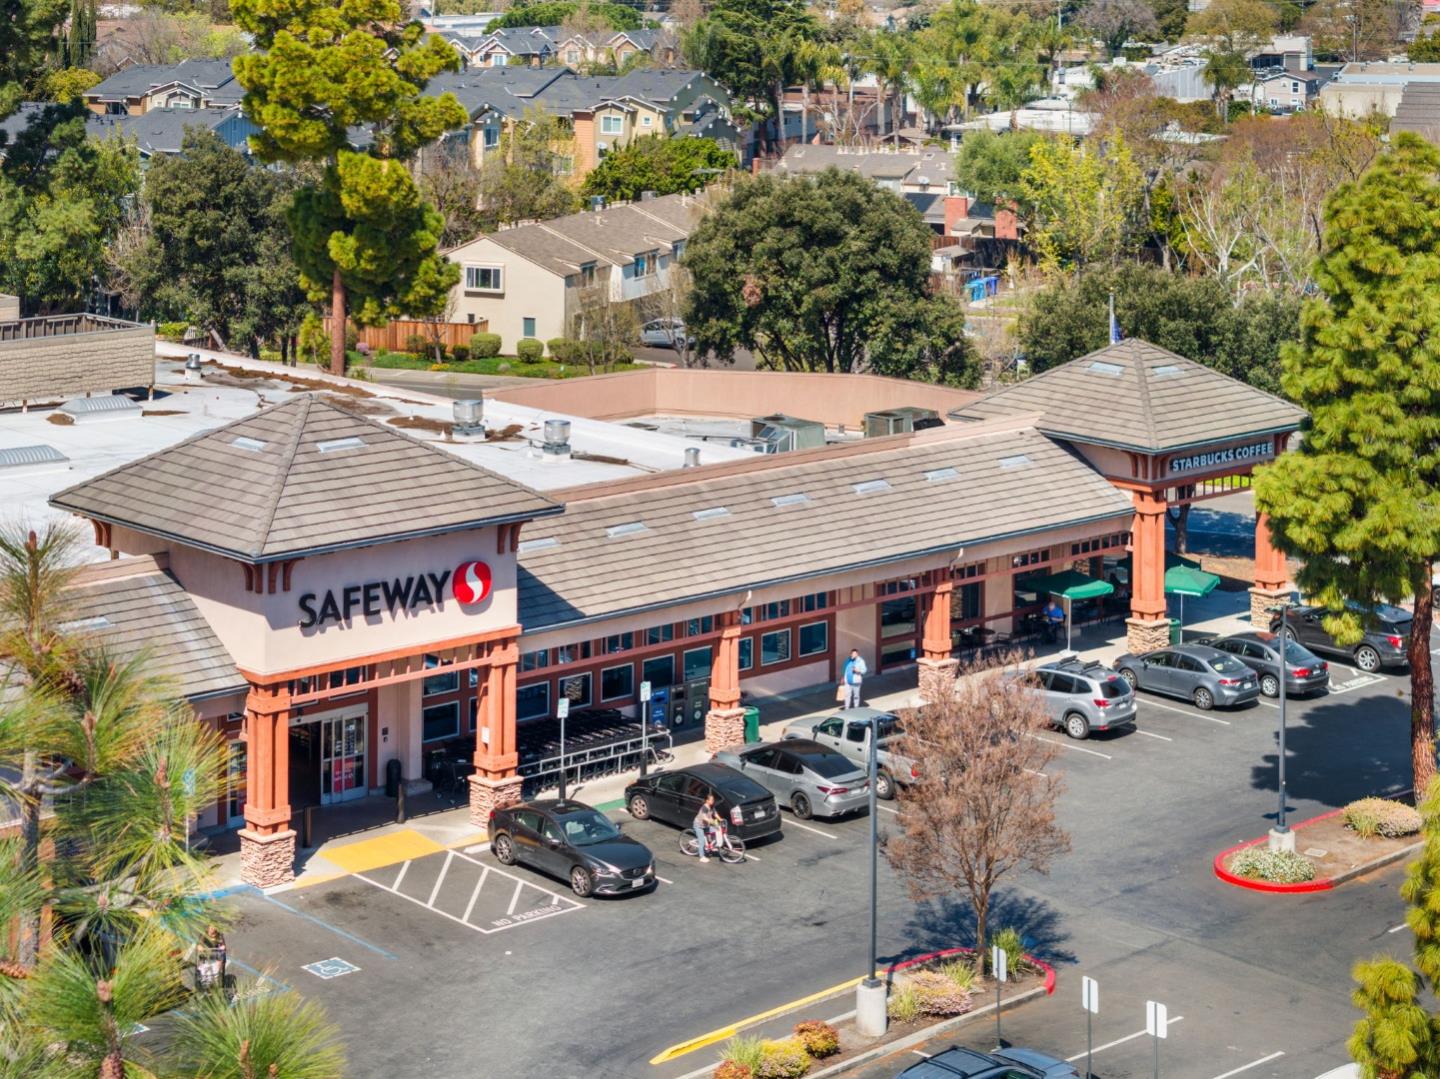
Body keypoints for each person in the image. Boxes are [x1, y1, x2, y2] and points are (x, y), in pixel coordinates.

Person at [194, 924, 226, 992]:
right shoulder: (204, 934)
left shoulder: (219, 935)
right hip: (205, 954)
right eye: (211, 928)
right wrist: (200, 947)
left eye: (214, 928)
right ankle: (204, 983)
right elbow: (199, 944)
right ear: (208, 929)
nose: (213, 930)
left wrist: (222, 947)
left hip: (215, 954)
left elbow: (223, 945)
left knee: (218, 967)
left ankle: (217, 982)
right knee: (203, 969)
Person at [693, 794, 721, 863]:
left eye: (713, 800)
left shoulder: (712, 807)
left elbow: (715, 814)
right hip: (698, 826)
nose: (713, 801)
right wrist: (712, 822)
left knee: (715, 831)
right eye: (711, 800)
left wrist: (720, 819)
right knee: (702, 841)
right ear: (707, 800)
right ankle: (701, 857)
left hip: (706, 825)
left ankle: (711, 846)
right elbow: (704, 818)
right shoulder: (704, 807)